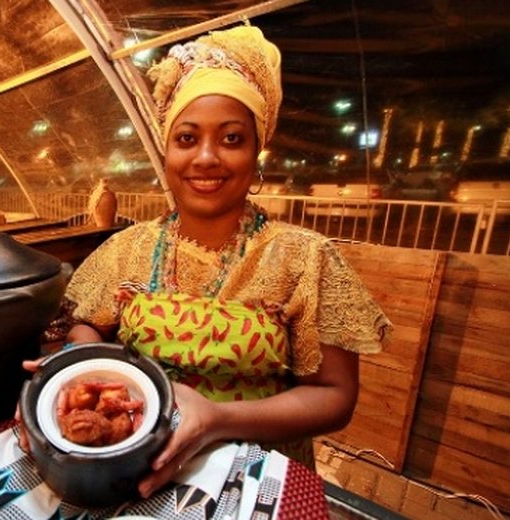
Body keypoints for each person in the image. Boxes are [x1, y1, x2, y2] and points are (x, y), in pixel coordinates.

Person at [20, 24, 391, 500]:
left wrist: (219, 419)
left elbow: (335, 398)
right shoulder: (127, 248)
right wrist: (72, 371)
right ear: (167, 152)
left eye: (232, 139)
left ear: (257, 152)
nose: (206, 158)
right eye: (187, 138)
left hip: (252, 475)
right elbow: (85, 327)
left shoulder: (305, 260)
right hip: (137, 471)